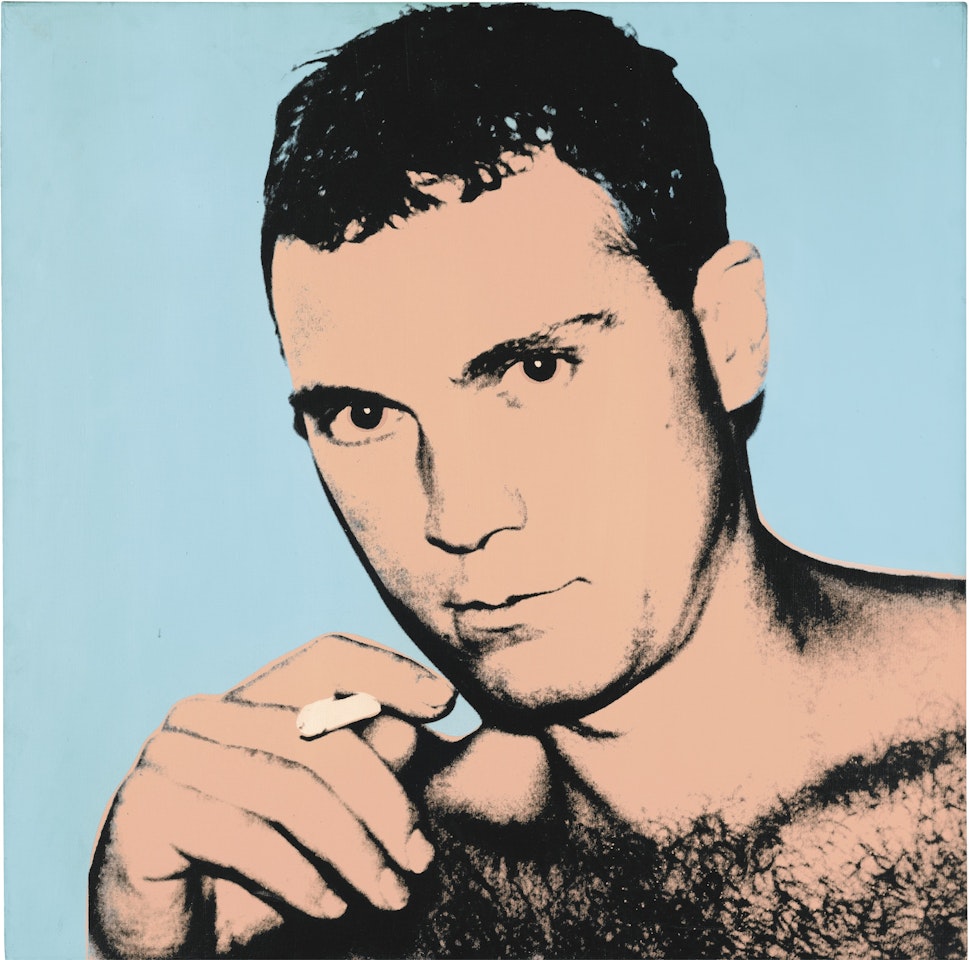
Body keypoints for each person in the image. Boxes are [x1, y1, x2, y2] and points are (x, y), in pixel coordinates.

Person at [88, 5, 966, 957]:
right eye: (365, 415)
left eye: (535, 370)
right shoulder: (349, 899)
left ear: (727, 335)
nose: (459, 515)